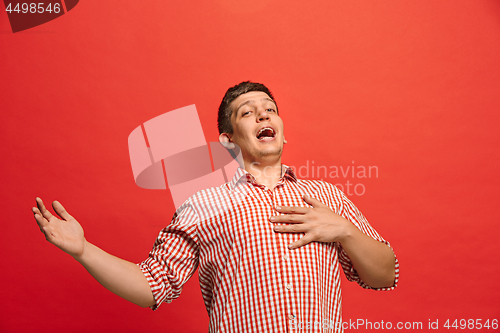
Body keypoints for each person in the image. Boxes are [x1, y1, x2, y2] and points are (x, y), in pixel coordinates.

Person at [33, 81, 398, 332]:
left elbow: (385, 275)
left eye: (270, 109)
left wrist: (345, 230)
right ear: (228, 139)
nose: (263, 115)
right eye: (248, 112)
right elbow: (151, 285)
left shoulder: (327, 196)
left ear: (283, 131)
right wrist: (84, 251)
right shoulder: (202, 205)